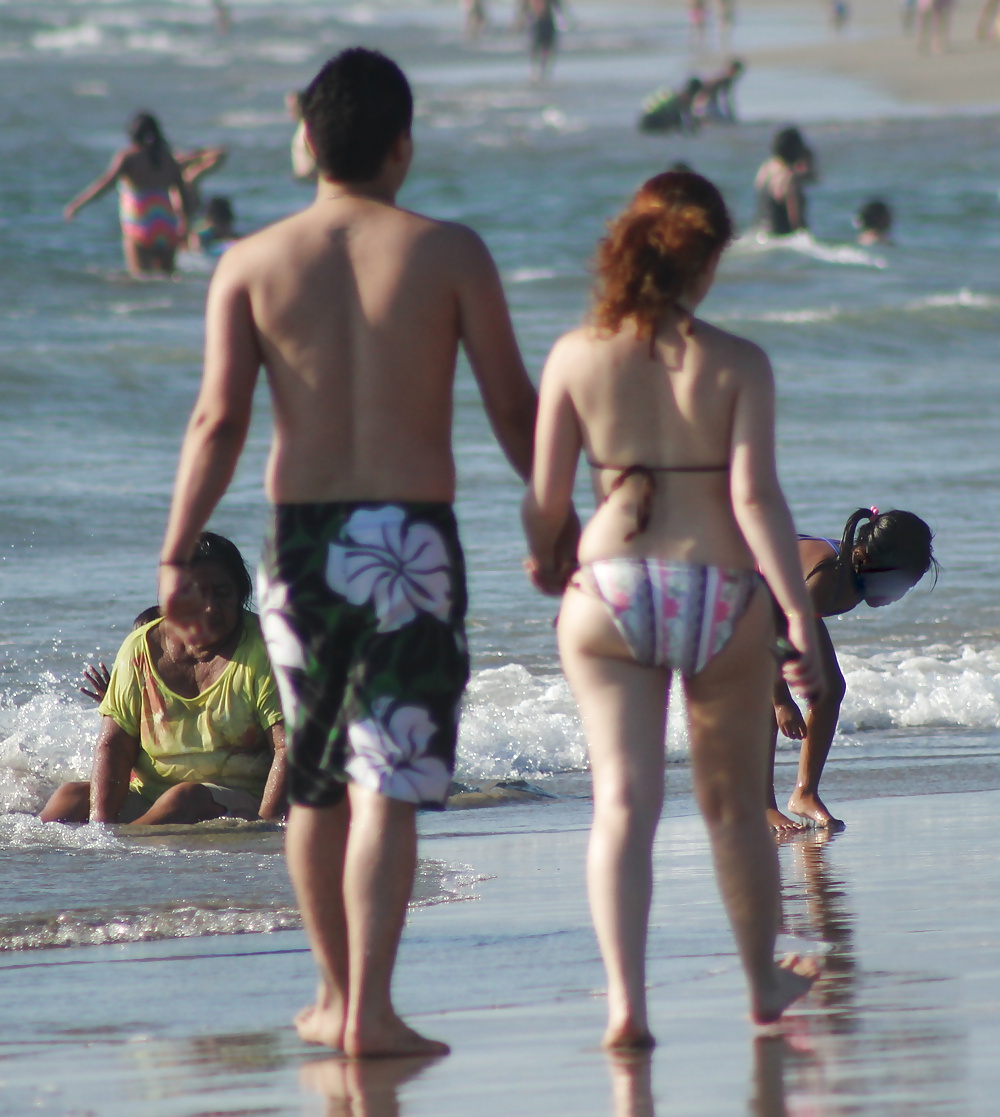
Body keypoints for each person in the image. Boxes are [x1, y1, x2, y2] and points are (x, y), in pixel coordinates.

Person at [155, 48, 553, 1058]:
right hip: (412, 542)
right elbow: (515, 406)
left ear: (307, 141)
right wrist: (554, 515)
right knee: (388, 778)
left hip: (304, 546)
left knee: (321, 779)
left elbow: (216, 422)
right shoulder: (450, 252)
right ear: (401, 145)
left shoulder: (250, 262)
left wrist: (173, 552)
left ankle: (332, 999)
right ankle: (372, 1009)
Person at [522, 171, 824, 1047]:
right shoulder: (738, 363)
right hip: (721, 593)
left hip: (609, 591)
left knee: (621, 802)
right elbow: (758, 501)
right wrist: (797, 619)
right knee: (730, 807)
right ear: (709, 259)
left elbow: (544, 501)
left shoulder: (577, 354)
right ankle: (763, 984)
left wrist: (550, 557)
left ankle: (625, 1005)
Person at [40, 533, 287, 825]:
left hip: (239, 801)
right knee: (70, 798)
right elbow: (114, 746)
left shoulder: (266, 649)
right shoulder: (138, 648)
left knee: (183, 799)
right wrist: (100, 828)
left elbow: (289, 749)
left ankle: (126, 856)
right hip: (152, 797)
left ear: (240, 595)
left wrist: (265, 827)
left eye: (222, 593)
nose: (210, 608)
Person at [768, 508, 936, 832]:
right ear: (872, 563)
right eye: (900, 583)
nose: (899, 594)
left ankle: (805, 793)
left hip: (791, 608)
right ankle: (763, 806)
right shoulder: (827, 579)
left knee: (830, 689)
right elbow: (770, 633)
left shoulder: (854, 582)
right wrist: (780, 701)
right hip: (743, 592)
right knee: (766, 699)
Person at [63, 112, 193, 277]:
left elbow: (105, 183)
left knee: (140, 281)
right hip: (166, 225)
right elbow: (183, 196)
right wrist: (184, 224)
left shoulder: (129, 157)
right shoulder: (168, 159)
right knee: (168, 280)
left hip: (141, 223)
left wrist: (77, 204)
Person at [754, 126, 815, 236]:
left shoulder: (765, 169)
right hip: (780, 238)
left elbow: (811, 177)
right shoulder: (789, 178)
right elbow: (796, 221)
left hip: (760, 235)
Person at [638, 78, 702, 135]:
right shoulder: (683, 98)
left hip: (644, 119)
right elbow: (685, 116)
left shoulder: (674, 92)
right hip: (652, 120)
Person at [694, 58, 745, 123]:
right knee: (724, 122)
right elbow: (726, 99)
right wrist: (731, 115)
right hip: (708, 105)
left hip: (704, 104)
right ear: (734, 69)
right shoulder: (726, 78)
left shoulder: (721, 75)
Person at [286, 91, 318, 182]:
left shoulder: (309, 129)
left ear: (301, 107)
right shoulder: (303, 127)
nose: (289, 112)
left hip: (309, 182)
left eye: (292, 109)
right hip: (304, 181)